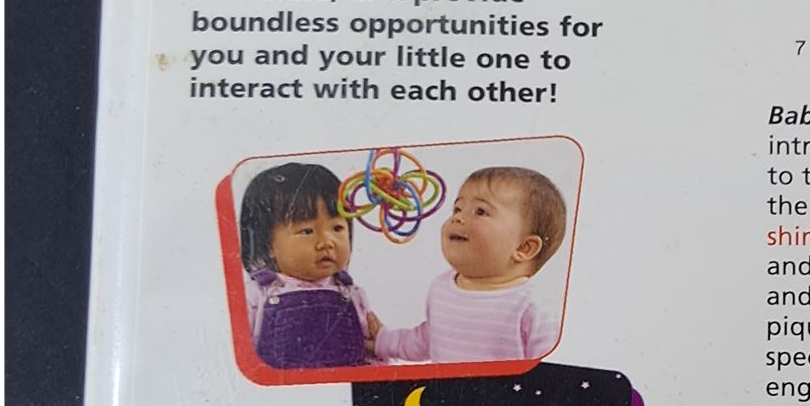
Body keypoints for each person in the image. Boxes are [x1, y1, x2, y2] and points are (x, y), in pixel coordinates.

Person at [372, 166, 566, 363]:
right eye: (457, 209)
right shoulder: (441, 288)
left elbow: (552, 371)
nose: (458, 217)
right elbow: (427, 339)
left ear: (524, 247)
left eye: (480, 211)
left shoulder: (533, 308)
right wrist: (383, 340)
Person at [238, 163, 379, 369]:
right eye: (306, 231)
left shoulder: (353, 294)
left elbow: (370, 356)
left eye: (337, 228)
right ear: (267, 244)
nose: (326, 242)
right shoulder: (255, 296)